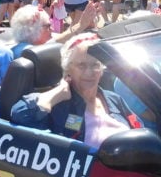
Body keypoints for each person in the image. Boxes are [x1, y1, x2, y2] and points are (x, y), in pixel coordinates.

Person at [11, 33, 142, 148]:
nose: (89, 72)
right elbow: (20, 115)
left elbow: (139, 130)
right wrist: (58, 93)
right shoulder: (59, 105)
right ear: (68, 69)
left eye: (95, 65)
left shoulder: (113, 99)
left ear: (102, 70)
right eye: (81, 65)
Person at [10, 1, 100, 58]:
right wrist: (81, 25)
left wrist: (84, 24)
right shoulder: (25, 53)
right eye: (48, 26)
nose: (52, 29)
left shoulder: (27, 46)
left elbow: (59, 39)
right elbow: (55, 42)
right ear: (31, 29)